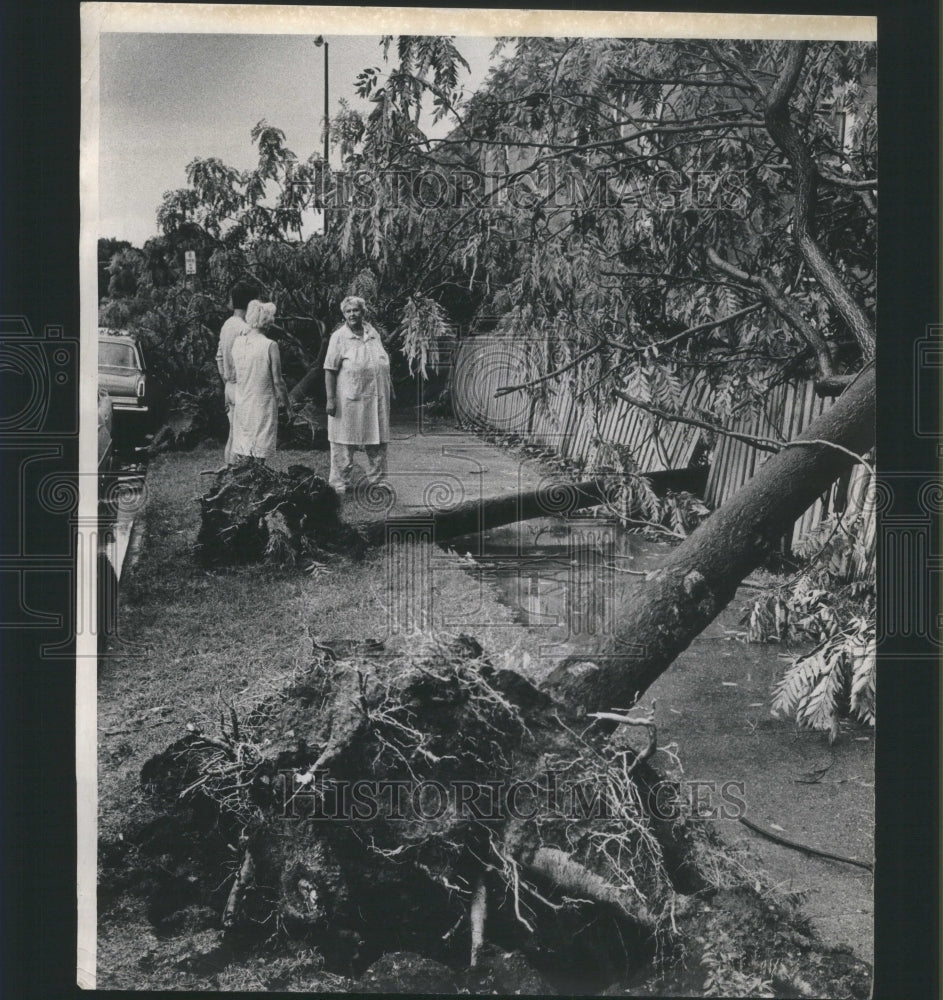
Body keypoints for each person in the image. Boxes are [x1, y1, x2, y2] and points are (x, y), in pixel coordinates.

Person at [323, 296, 392, 493]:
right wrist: (330, 399)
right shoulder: (339, 337)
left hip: (375, 398)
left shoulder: (373, 333)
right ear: (343, 314)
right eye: (348, 311)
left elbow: (380, 363)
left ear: (363, 312)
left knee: (378, 441)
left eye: (356, 310)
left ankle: (377, 481)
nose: (352, 314)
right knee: (344, 441)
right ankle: (339, 483)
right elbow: (329, 369)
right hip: (348, 400)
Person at [230, 300, 294, 464]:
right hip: (262, 403)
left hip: (242, 401)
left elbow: (234, 374)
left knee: (245, 449)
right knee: (259, 451)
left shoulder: (237, 343)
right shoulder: (269, 345)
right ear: (268, 322)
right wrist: (288, 407)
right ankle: (257, 483)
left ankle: (245, 483)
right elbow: (278, 381)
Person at [216, 280, 257, 465]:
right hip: (243, 387)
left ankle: (229, 472)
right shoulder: (246, 329)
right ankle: (237, 476)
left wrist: (226, 382)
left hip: (230, 386)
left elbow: (218, 357)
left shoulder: (227, 325)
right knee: (243, 437)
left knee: (233, 435)